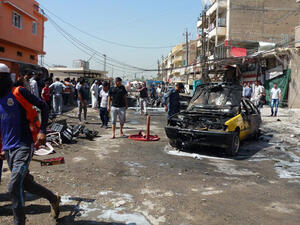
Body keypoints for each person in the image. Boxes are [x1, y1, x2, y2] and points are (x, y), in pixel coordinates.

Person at [0, 63, 60, 225]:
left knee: (13, 185)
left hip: (24, 145)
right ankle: (54, 199)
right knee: (26, 183)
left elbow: (43, 106)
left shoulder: (19, 92)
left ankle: (19, 221)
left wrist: (42, 131)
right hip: (9, 148)